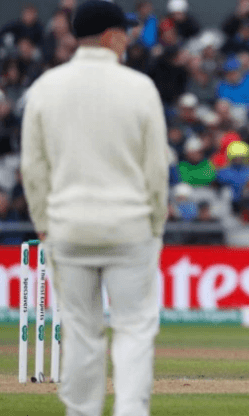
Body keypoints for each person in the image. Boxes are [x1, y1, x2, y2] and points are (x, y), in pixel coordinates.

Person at [20, 1, 169, 415]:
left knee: (81, 332)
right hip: (129, 227)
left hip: (68, 227)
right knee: (134, 329)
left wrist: (44, 224)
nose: (127, 40)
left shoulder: (46, 87)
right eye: (124, 33)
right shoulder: (139, 87)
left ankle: (81, 411)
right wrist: (155, 224)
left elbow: (33, 168)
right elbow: (156, 168)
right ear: (109, 36)